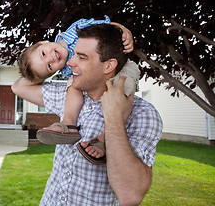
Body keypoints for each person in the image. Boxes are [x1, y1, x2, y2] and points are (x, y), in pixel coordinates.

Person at [12, 23, 163, 205]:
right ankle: (68, 125)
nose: (69, 62)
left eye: (81, 57)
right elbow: (18, 86)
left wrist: (114, 118)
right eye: (73, 53)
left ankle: (103, 140)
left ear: (109, 66)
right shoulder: (68, 97)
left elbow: (130, 195)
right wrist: (42, 60)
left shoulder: (143, 115)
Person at [17, 16, 139, 163]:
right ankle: (68, 123)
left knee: (122, 92)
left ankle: (106, 137)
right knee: (73, 86)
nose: (51, 58)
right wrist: (36, 72)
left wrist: (124, 31)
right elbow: (18, 86)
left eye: (43, 53)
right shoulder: (68, 68)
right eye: (49, 67)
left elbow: (106, 26)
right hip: (90, 76)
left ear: (42, 42)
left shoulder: (75, 29)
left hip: (123, 66)